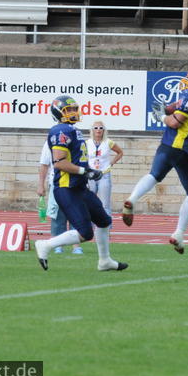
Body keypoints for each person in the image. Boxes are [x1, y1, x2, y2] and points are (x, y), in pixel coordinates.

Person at [122, 66, 188, 254]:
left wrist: (161, 115)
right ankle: (179, 233)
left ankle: (132, 199)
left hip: (173, 145)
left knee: (154, 175)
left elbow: (175, 122)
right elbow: (183, 108)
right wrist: (170, 108)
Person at [34, 95, 127, 272]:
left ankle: (105, 261)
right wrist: (86, 171)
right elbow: (59, 162)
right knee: (85, 233)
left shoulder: (72, 130)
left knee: (104, 220)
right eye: (68, 110)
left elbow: (76, 159)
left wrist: (89, 171)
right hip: (67, 188)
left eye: (74, 109)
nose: (73, 112)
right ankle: (45, 245)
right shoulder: (60, 131)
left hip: (79, 186)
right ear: (58, 113)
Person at [37, 140, 82, 255]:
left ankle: (76, 246)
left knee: (76, 214)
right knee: (58, 216)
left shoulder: (76, 141)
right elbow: (44, 164)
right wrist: (41, 185)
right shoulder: (49, 143)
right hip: (56, 183)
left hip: (74, 182)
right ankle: (57, 245)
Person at [86, 120, 123, 215]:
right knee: (89, 203)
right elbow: (82, 156)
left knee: (105, 204)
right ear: (92, 130)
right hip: (91, 175)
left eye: (101, 128)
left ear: (104, 130)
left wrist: (112, 162)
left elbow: (120, 152)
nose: (98, 130)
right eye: (96, 128)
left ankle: (106, 224)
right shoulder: (87, 143)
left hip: (104, 174)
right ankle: (89, 223)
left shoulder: (108, 142)